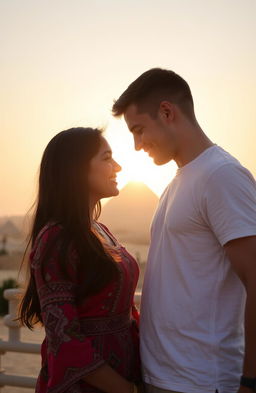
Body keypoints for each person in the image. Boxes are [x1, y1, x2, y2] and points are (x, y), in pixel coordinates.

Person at [112, 68, 256, 393]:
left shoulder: (221, 175)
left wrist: (250, 381)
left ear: (167, 112)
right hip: (165, 378)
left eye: (139, 130)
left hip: (203, 382)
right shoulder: (178, 181)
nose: (136, 146)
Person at [19, 127, 142, 393]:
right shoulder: (56, 239)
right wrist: (127, 389)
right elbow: (64, 338)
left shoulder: (100, 230)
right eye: (107, 157)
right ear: (77, 169)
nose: (118, 166)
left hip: (127, 375)